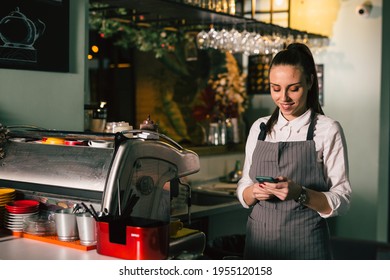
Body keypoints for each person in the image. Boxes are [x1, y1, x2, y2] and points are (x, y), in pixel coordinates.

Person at [236, 43, 352, 260]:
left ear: (309, 82)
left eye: (294, 88)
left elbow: (342, 199)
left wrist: (300, 193)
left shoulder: (327, 129)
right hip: (259, 245)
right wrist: (253, 192)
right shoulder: (260, 128)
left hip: (306, 244)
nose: (284, 98)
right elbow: (244, 184)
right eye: (275, 88)